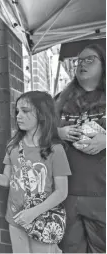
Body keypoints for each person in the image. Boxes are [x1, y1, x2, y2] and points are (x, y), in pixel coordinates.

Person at [0, 91, 71, 253]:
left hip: (43, 219)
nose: (18, 116)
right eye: (17, 111)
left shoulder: (55, 150)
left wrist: (33, 213)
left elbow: (62, 191)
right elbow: (7, 180)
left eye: (25, 111)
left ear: (42, 114)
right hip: (16, 219)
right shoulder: (13, 146)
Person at [55, 44, 106, 253]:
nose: (81, 64)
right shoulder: (61, 99)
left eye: (89, 59)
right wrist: (60, 133)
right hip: (67, 192)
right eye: (79, 61)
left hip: (102, 192)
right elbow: (40, 131)